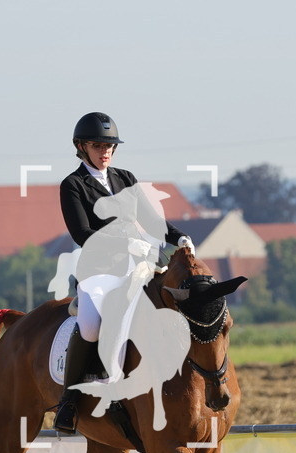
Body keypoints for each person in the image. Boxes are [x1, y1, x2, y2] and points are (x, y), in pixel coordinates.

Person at [53, 112, 194, 434]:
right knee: (90, 326)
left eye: (110, 146)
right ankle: (69, 401)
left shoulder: (125, 178)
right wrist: (126, 244)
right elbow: (81, 233)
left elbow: (151, 219)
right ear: (81, 146)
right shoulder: (73, 185)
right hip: (99, 270)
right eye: (98, 145)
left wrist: (179, 236)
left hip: (137, 267)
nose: (106, 151)